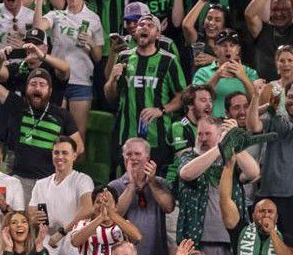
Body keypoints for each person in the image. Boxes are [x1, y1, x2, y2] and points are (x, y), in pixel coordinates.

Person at [0, 40, 81, 199]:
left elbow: (79, 147)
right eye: (33, 84)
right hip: (18, 181)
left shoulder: (62, 115)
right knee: (13, 218)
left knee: (42, 222)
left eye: (42, 84)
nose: (37, 88)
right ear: (26, 89)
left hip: (47, 184)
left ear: (50, 90)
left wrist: (61, 168)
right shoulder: (18, 105)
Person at [169, 117, 261, 255]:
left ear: (219, 134)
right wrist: (219, 148)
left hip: (233, 246)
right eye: (200, 134)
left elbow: (254, 172)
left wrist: (233, 141)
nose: (202, 138)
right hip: (199, 247)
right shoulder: (189, 156)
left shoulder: (231, 158)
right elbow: (186, 173)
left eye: (207, 134)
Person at [104, 13, 186, 175]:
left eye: (150, 25)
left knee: (154, 184)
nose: (144, 27)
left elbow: (182, 95)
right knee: (126, 183)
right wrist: (112, 80)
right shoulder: (124, 57)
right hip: (127, 134)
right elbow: (110, 97)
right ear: (135, 32)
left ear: (158, 34)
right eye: (141, 24)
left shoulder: (168, 60)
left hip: (158, 136)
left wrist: (161, 110)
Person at [33, 0, 103, 140]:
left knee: (78, 136)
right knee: (53, 133)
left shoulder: (93, 19)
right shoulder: (56, 15)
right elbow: (38, 29)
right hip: (58, 82)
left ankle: (75, 167)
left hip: (82, 82)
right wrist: (38, 1)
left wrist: (91, 43)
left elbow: (99, 57)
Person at [28, 136, 93, 255]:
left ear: (74, 156)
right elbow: (31, 213)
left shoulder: (82, 180)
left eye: (65, 152)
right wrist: (35, 218)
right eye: (56, 152)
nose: (60, 157)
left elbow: (87, 208)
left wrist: (62, 232)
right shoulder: (41, 184)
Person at [109, 138, 175, 255]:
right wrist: (131, 185)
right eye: (129, 154)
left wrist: (151, 182)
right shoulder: (114, 186)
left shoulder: (160, 183)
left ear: (148, 157)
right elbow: (115, 214)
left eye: (137, 154)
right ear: (123, 157)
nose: (133, 158)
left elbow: (169, 207)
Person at [247, 76, 293, 242]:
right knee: (261, 244)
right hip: (267, 195)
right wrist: (256, 97)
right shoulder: (276, 119)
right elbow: (253, 125)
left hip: (291, 199)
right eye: (290, 97)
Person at [192, 29, 260, 118]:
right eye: (223, 45)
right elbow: (195, 102)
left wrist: (244, 78)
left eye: (232, 45)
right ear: (215, 49)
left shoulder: (250, 73)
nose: (228, 49)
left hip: (243, 124)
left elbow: (257, 102)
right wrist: (217, 76)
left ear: (238, 49)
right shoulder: (202, 73)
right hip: (214, 125)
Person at [245, 0, 293, 82]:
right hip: (266, 90)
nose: (279, 14)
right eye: (275, 9)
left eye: (285, 10)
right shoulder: (262, 30)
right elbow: (249, 14)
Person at [170, 85, 214, 156]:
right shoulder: (179, 127)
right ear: (190, 105)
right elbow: (185, 158)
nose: (209, 104)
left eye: (210, 100)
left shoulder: (213, 126)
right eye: (203, 100)